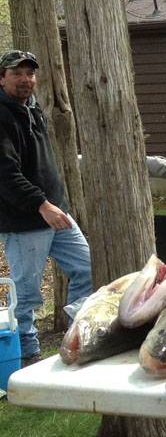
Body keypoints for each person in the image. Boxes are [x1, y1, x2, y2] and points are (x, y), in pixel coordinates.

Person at [0, 50, 93, 365]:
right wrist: (42, 205)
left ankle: (75, 334)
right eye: (17, 73)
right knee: (26, 292)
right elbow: (6, 175)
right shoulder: (2, 115)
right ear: (2, 77)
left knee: (86, 267)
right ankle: (25, 353)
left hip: (55, 212)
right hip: (26, 219)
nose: (26, 80)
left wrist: (55, 205)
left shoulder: (32, 108)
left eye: (30, 74)